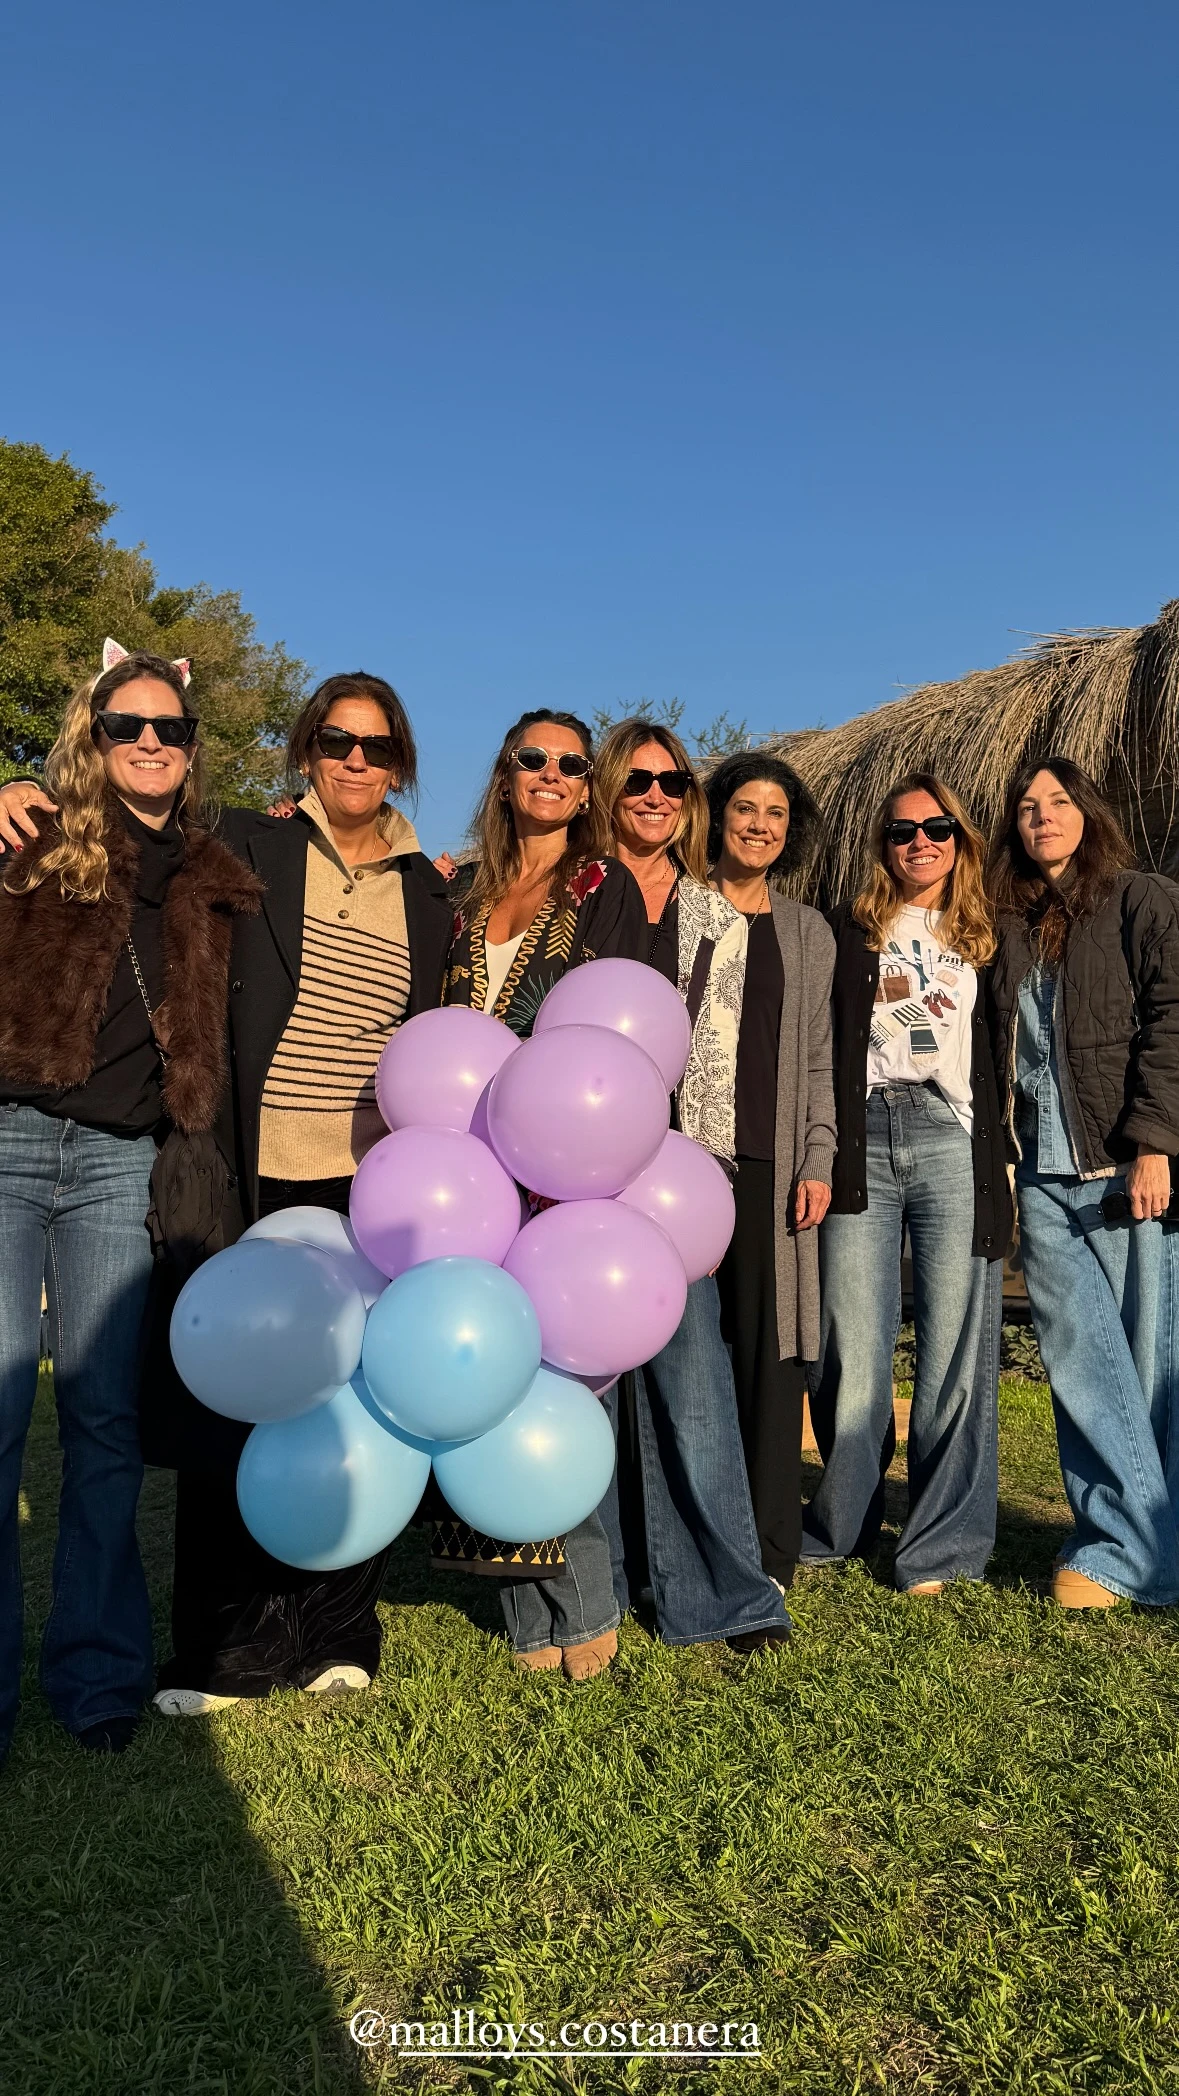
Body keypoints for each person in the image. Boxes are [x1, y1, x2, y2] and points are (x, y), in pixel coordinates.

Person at [0, 672, 454, 1711]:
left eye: (376, 747)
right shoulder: (253, 845)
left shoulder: (432, 892)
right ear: (305, 751)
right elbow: (119, 814)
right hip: (250, 1159)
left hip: (369, 1181)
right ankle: (220, 1645)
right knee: (230, 1390)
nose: (355, 761)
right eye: (336, 742)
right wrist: (12, 784)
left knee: (357, 1399)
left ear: (401, 764)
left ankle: (341, 1627)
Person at [0, 646, 261, 1758]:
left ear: (194, 748)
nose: (151, 741)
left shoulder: (214, 869)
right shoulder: (30, 837)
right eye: (128, 725)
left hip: (120, 1159)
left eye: (171, 728)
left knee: (105, 1421)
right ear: (91, 735)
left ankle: (97, 1675)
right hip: (9, 1138)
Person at [441, 708, 646, 1679]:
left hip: (560, 1166)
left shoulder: (603, 889)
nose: (554, 773)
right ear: (506, 773)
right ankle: (527, 1608)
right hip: (465, 1168)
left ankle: (588, 1594)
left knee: (568, 1383)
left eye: (572, 762)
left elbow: (613, 1037)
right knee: (486, 1379)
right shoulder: (465, 892)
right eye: (536, 758)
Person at [590, 718, 800, 1648]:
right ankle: (612, 1581)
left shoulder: (713, 912)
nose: (655, 797)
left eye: (673, 783)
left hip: (677, 1170)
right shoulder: (575, 889)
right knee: (593, 1376)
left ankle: (725, 1592)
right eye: (637, 780)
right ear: (609, 788)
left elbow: (717, 1057)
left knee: (694, 1375)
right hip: (570, 1164)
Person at [802, 774, 1010, 1594]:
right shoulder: (848, 931)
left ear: (960, 838)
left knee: (955, 1348)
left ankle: (940, 1546)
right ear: (880, 843)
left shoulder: (991, 934)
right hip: (862, 1134)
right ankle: (843, 1521)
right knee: (851, 1343)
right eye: (901, 831)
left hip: (951, 1139)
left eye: (936, 828)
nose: (919, 842)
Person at [989, 758, 1179, 1608]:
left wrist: (1154, 1142)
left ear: (1085, 813)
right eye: (1027, 808)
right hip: (1040, 1169)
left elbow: (1172, 1020)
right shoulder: (1009, 923)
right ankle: (1128, 1550)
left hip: (1120, 1163)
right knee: (1076, 1362)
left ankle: (1127, 1552)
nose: (1041, 818)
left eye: (1057, 802)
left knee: (1145, 1367)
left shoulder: (1141, 899)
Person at [705, 753, 838, 1589]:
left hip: (769, 1165)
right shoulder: (674, 915)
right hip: (677, 1165)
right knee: (684, 1359)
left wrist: (817, 1154)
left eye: (775, 814)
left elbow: (820, 1059)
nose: (759, 824)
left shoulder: (806, 932)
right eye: (745, 807)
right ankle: (680, 1545)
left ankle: (767, 1558)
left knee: (766, 1362)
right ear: (716, 817)